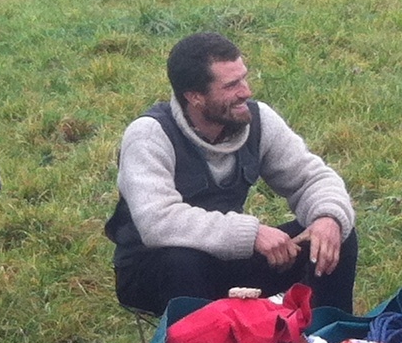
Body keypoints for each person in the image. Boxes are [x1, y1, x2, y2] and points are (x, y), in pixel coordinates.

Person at [106, 31, 359, 317]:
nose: (246, 92)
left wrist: (327, 217)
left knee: (334, 233)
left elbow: (311, 178)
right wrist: (251, 234)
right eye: (231, 85)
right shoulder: (149, 135)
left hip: (228, 259)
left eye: (243, 78)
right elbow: (158, 221)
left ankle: (330, 336)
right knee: (182, 259)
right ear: (195, 97)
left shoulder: (258, 120)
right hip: (153, 272)